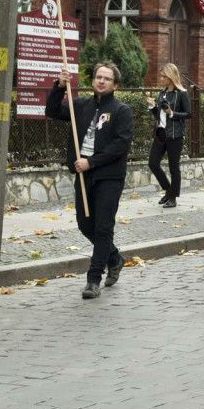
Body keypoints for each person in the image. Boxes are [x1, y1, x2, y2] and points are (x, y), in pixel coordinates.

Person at [46, 63, 134, 299]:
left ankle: (93, 280)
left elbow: (121, 144)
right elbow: (52, 112)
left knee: (103, 227)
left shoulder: (121, 110)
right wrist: (59, 87)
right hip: (84, 176)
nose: (101, 81)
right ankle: (114, 258)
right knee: (85, 225)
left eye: (107, 78)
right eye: (98, 77)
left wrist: (91, 162)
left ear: (115, 85)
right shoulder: (82, 105)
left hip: (109, 176)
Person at [144, 63, 190, 208]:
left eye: (164, 76)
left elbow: (189, 114)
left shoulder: (182, 93)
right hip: (161, 134)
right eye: (161, 76)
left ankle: (172, 198)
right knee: (152, 163)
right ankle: (169, 190)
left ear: (171, 77)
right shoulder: (162, 93)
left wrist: (172, 113)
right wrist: (153, 106)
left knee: (173, 168)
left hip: (175, 135)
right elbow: (159, 115)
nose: (161, 78)